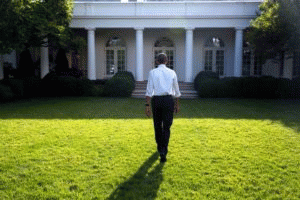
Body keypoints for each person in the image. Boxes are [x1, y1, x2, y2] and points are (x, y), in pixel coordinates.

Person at [145, 53, 181, 163]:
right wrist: (177, 104)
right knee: (166, 126)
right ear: (167, 61)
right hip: (168, 101)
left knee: (157, 125)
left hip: (156, 101)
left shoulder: (152, 72)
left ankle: (160, 148)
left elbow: (149, 90)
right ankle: (164, 150)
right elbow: (176, 90)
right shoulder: (172, 72)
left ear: (156, 61)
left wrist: (147, 106)